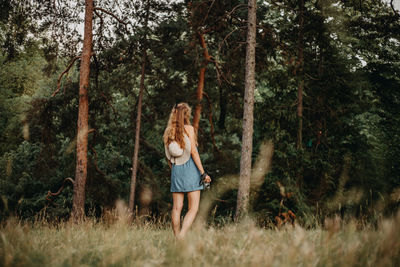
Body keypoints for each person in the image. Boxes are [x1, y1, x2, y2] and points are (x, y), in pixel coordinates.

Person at [163, 102, 211, 239]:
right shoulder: (189, 129)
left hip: (176, 170)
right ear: (186, 115)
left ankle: (177, 237)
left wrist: (175, 170)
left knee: (177, 208)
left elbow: (168, 156)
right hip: (191, 170)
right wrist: (203, 173)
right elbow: (194, 153)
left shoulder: (168, 132)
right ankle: (182, 236)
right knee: (193, 208)